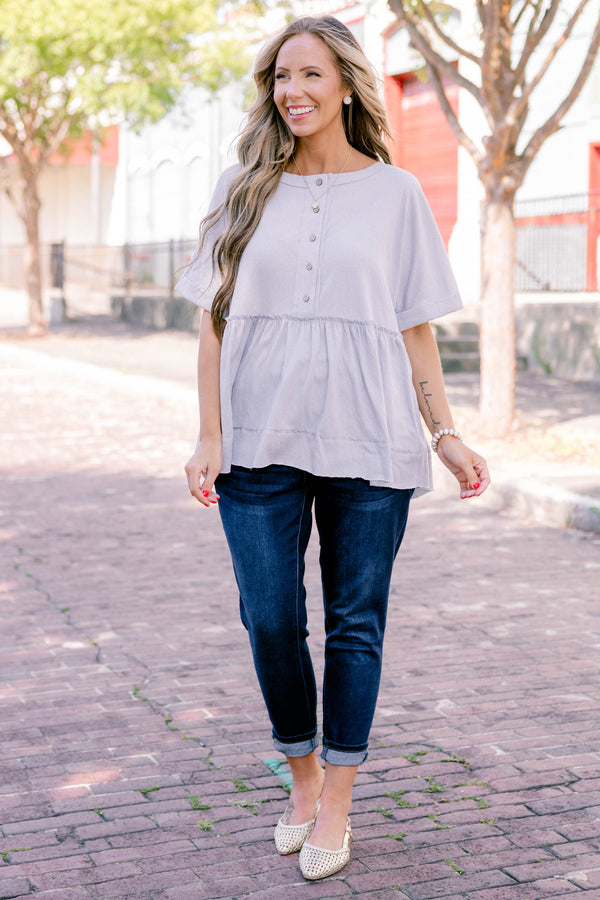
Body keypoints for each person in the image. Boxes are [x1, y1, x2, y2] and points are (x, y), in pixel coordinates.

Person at [177, 14, 490, 881]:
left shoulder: (396, 194)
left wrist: (445, 433)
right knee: (271, 618)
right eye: (282, 76)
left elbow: (415, 327)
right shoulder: (242, 187)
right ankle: (304, 776)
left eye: (311, 74)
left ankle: (340, 802)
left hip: (372, 434)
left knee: (356, 624)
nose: (293, 91)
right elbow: (213, 326)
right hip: (257, 438)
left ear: (347, 85)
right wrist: (209, 435)